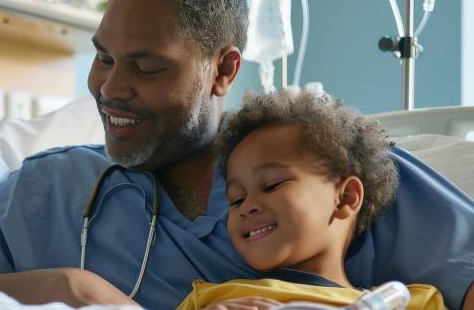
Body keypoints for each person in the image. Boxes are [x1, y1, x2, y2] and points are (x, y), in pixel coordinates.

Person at [0, 0, 474, 309]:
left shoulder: (326, 168)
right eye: (103, 58)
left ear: (223, 70)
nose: (111, 88)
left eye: (147, 68)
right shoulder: (48, 190)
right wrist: (69, 286)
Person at [176, 90, 445, 309]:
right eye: (236, 200)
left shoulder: (406, 302)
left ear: (345, 198)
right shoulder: (211, 299)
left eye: (271, 185)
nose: (247, 207)